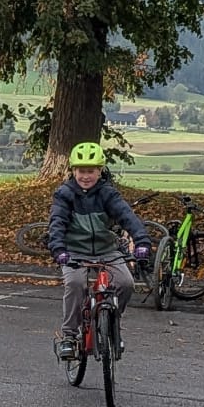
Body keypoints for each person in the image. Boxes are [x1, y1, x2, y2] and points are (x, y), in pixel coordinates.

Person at [47, 141, 153, 361]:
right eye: (81, 171)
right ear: (73, 171)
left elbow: (128, 217)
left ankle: (111, 323)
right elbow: (57, 223)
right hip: (75, 252)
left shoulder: (107, 193)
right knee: (75, 284)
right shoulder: (65, 194)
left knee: (126, 283)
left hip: (107, 250)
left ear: (100, 171)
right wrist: (59, 250)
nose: (86, 176)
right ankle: (69, 336)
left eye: (91, 171)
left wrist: (142, 242)